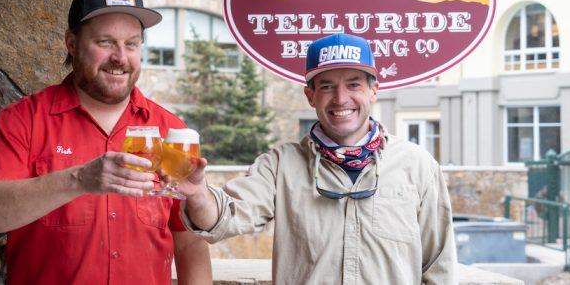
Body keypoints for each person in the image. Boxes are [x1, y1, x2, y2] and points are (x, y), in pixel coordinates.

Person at [0, 0, 211, 285]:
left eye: (131, 44)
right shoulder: (24, 120)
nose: (120, 57)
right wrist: (79, 180)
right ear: (72, 42)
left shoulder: (171, 130)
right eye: (106, 42)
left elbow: (189, 242)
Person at [176, 33, 457, 284]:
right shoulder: (280, 165)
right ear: (310, 96)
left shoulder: (418, 165)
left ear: (373, 90)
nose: (340, 98)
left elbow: (439, 268)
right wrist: (198, 194)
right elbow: (225, 218)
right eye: (326, 87)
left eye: (353, 84)